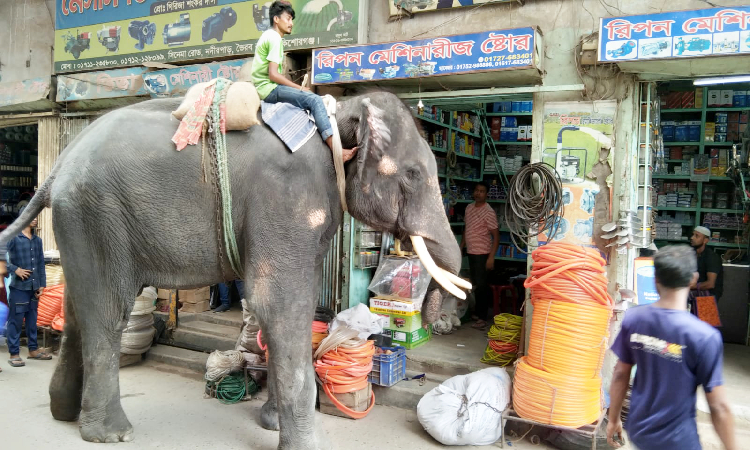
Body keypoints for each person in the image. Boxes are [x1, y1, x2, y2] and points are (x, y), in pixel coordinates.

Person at [607, 245, 736, 450]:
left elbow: (620, 374)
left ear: (655, 278)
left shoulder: (634, 318)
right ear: (693, 279)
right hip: (678, 440)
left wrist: (613, 418)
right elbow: (719, 406)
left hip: (639, 431)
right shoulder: (704, 336)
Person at [251, 1, 356, 161]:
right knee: (314, 100)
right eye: (288, 19)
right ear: (276, 19)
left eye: (292, 20)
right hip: (269, 89)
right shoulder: (275, 39)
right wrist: (298, 89)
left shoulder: (267, 35)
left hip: (263, 87)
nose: (291, 23)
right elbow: (273, 74)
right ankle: (337, 151)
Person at [6, 210, 50, 367]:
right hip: (18, 288)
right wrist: (15, 269)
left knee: (32, 320)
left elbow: (40, 264)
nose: (35, 219)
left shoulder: (37, 240)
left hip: (33, 287)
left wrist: (42, 284)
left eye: (36, 217)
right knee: (16, 321)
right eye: (32, 217)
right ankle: (14, 353)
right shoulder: (13, 238)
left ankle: (33, 349)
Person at [460, 182, 499, 329]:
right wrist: (461, 246)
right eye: (476, 190)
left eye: (482, 191)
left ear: (486, 194)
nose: (478, 193)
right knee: (475, 284)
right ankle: (477, 313)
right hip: (471, 252)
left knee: (482, 286)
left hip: (483, 253)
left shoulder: (489, 212)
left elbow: (496, 236)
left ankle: (482, 318)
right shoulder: (469, 208)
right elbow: (466, 229)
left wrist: (491, 257)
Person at [689, 226, 724, 305]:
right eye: (692, 235)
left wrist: (689, 287)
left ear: (705, 240)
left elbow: (710, 284)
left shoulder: (711, 257)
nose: (692, 238)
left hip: (709, 294)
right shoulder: (692, 253)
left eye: (696, 236)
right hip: (696, 290)